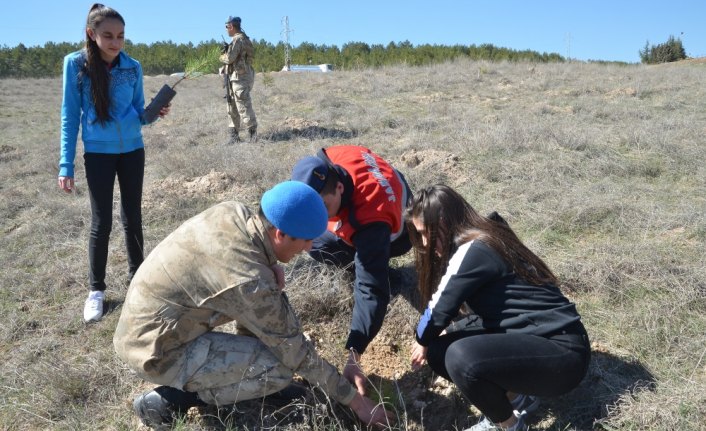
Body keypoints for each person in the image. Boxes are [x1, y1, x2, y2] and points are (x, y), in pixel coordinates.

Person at [113, 181, 392, 429]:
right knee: (281, 367)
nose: (308, 248)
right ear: (281, 234)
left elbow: (249, 278)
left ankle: (242, 377)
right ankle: (178, 398)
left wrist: (270, 263)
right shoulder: (249, 280)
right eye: (305, 240)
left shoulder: (235, 212)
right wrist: (355, 402)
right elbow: (295, 352)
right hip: (156, 351)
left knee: (270, 332)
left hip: (156, 323)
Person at [406, 185, 591, 431]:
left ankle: (509, 426)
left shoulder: (473, 249)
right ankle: (518, 399)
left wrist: (422, 338)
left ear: (443, 221)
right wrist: (441, 335)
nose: (425, 242)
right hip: (534, 340)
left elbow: (438, 308)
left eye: (426, 232)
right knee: (439, 349)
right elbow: (497, 313)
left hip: (563, 354)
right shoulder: (486, 235)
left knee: (459, 358)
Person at [58, 3, 170, 323]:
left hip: (133, 150)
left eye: (120, 36)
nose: (115, 43)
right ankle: (96, 291)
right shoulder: (75, 64)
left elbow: (137, 112)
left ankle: (139, 281)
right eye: (107, 35)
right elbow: (70, 117)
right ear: (91, 34)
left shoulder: (133, 66)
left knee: (132, 217)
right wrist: (65, 165)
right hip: (98, 154)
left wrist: (152, 114)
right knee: (101, 222)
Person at [291, 145, 412, 396]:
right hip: (385, 191)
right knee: (314, 241)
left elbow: (371, 289)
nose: (318, 215)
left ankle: (386, 273)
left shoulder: (369, 221)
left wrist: (354, 354)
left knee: (366, 272)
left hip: (398, 232)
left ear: (339, 188)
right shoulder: (332, 158)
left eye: (323, 206)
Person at [219, 15, 257, 144]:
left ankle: (253, 136)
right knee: (232, 106)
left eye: (227, 27)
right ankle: (234, 137)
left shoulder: (238, 39)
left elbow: (229, 58)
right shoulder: (244, 38)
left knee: (243, 106)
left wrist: (222, 55)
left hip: (240, 78)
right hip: (237, 77)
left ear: (231, 26)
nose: (226, 30)